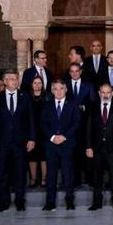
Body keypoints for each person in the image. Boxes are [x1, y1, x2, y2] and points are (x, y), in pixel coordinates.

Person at [0, 69, 35, 212]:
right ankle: (4, 202)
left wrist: (32, 138)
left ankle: (20, 201)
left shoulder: (26, 97)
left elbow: (32, 120)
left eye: (16, 79)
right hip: (2, 143)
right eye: (11, 79)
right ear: (5, 81)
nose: (14, 81)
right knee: (2, 172)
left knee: (20, 172)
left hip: (20, 142)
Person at [41, 79, 81, 211]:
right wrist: (52, 137)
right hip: (51, 144)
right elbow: (43, 123)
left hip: (67, 144)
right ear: (52, 90)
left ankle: (70, 201)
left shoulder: (73, 104)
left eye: (61, 88)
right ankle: (50, 202)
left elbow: (76, 123)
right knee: (51, 174)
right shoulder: (46, 105)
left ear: (66, 90)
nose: (58, 91)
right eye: (55, 89)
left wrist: (64, 136)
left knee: (68, 174)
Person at [86, 83, 113, 211]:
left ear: (112, 93)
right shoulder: (92, 107)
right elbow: (88, 129)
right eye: (103, 92)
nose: (105, 95)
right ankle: (97, 202)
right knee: (96, 176)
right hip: (97, 148)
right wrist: (88, 147)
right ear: (99, 93)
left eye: (108, 92)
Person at [65, 62, 96, 187]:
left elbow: (93, 103)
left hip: (86, 124)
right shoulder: (64, 85)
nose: (74, 73)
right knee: (73, 153)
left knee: (87, 152)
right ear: (69, 73)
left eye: (76, 71)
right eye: (72, 71)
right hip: (70, 125)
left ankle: (89, 178)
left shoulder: (88, 85)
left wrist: (83, 107)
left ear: (81, 71)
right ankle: (75, 180)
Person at [27, 77, 48, 189]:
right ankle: (33, 179)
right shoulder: (27, 97)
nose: (37, 85)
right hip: (31, 130)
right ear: (31, 84)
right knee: (32, 156)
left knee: (44, 156)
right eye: (35, 83)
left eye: (39, 83)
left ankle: (44, 179)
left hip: (44, 131)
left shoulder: (48, 96)